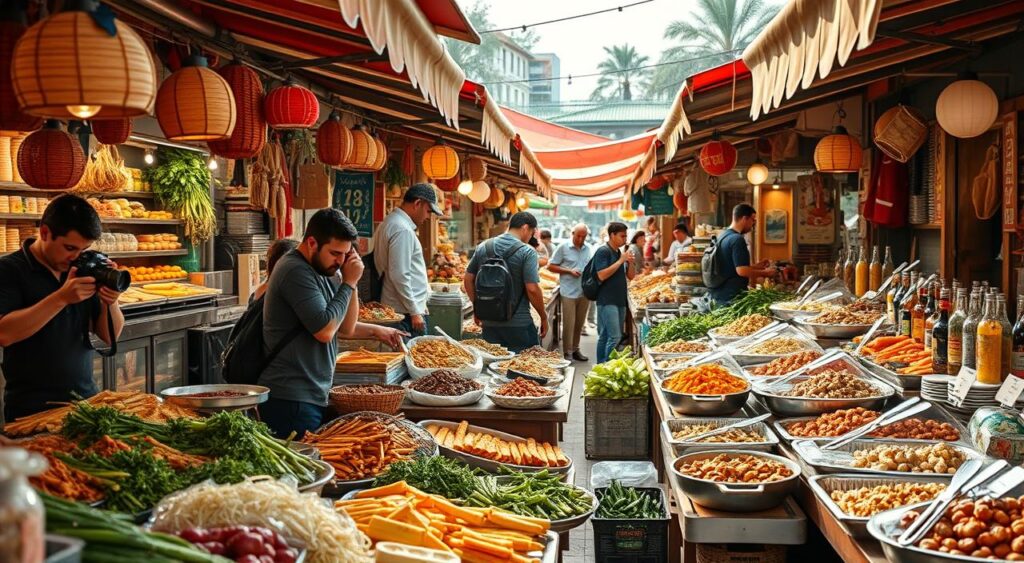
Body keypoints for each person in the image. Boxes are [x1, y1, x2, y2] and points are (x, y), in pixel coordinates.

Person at [0, 194, 125, 421]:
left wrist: (111, 300)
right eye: (70, 247)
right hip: (32, 411)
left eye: (83, 249)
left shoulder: (82, 267)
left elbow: (109, 336)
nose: (76, 256)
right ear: (45, 233)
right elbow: (4, 334)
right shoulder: (9, 270)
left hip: (86, 402)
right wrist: (61, 298)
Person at [259, 208, 365, 438]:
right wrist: (348, 282)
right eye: (335, 253)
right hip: (291, 398)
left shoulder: (326, 269)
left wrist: (351, 283)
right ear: (312, 242)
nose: (340, 261)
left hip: (311, 394)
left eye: (345, 255)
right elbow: (325, 331)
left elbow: (346, 327)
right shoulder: (294, 269)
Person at [464, 212, 548, 352]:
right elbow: (532, 289)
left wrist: (478, 307)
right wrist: (543, 317)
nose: (531, 237)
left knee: (493, 368)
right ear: (525, 228)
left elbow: (467, 280)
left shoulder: (484, 246)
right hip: (519, 325)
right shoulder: (527, 252)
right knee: (523, 369)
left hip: (490, 324)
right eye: (532, 233)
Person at [373, 183, 441, 338]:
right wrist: (415, 311)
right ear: (417, 204)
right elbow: (399, 274)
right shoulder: (402, 229)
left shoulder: (392, 222)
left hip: (403, 311)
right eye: (428, 210)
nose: (428, 216)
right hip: (404, 314)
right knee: (413, 359)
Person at [708, 203, 776, 306]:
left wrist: (756, 266)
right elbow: (742, 271)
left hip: (720, 295)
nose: (753, 224)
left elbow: (733, 267)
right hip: (731, 298)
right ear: (745, 218)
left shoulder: (722, 235)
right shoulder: (737, 239)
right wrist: (766, 273)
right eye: (753, 220)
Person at [592, 222, 635, 364]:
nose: (625, 239)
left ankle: (600, 366)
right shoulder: (603, 251)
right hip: (607, 299)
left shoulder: (618, 253)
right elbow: (601, 275)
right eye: (622, 236)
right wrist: (621, 260)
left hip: (619, 299)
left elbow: (631, 276)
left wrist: (630, 262)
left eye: (626, 236)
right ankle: (607, 366)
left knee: (605, 336)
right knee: (615, 337)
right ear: (612, 235)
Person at [547, 224, 591, 362]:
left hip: (584, 291)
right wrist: (569, 271)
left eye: (584, 236)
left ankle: (576, 348)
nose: (581, 239)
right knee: (569, 323)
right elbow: (550, 266)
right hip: (568, 292)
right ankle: (567, 352)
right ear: (572, 233)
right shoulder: (563, 247)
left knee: (579, 323)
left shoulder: (588, 249)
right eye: (578, 235)